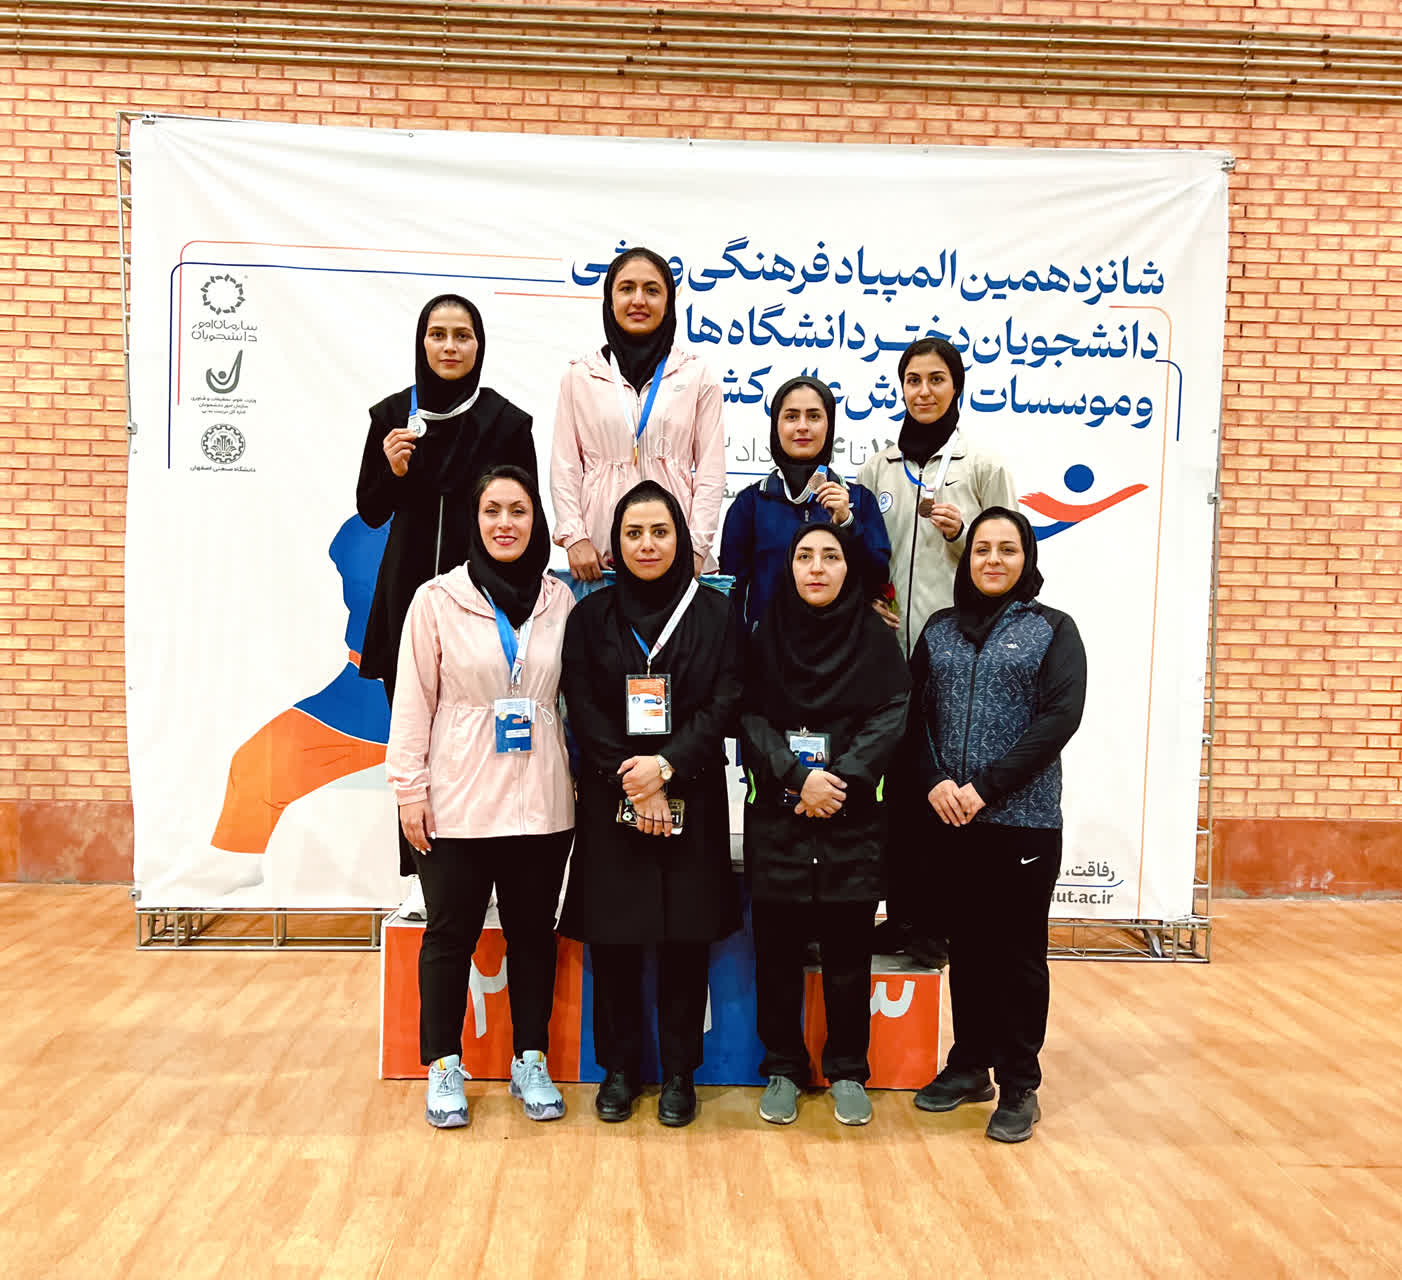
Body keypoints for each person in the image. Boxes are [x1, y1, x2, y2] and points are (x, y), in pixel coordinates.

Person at [386, 465, 574, 1130]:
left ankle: (531, 1058)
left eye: (518, 511)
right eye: (492, 510)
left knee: (533, 937)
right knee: (449, 936)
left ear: (536, 520)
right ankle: (443, 1063)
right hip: (457, 803)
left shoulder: (560, 600)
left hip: (540, 803)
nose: (505, 524)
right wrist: (409, 790)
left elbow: (576, 698)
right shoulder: (436, 600)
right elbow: (413, 701)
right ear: (475, 518)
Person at [559, 481, 742, 1127]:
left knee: (684, 941)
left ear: (680, 538)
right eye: (633, 533)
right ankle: (618, 1069)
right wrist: (633, 777)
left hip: (691, 792)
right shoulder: (590, 618)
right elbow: (582, 706)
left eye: (659, 532)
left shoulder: (716, 614)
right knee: (615, 939)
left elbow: (726, 700)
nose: (647, 544)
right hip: (613, 795)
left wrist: (664, 768)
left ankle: (679, 1073)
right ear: (615, 544)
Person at [907, 507, 1086, 1143]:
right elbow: (912, 714)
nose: (992, 560)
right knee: (967, 949)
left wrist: (985, 787)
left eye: (1008, 549)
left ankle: (1018, 1084)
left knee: (1016, 955)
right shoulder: (940, 629)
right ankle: (968, 1065)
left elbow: (1059, 719)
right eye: (982, 548)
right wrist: (933, 781)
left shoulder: (1052, 629)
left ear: (1026, 558)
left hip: (1021, 824)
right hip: (950, 820)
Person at [357, 294, 537, 905]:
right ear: (422, 342)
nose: (450, 346)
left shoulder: (507, 423)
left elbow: (527, 515)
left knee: (484, 734)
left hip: (485, 605)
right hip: (407, 601)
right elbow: (370, 509)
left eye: (463, 335)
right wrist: (391, 469)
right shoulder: (392, 416)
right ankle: (426, 876)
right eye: (438, 334)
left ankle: (492, 870)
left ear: (479, 345)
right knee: (413, 737)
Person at [738, 525, 909, 1127]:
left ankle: (848, 1070)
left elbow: (892, 715)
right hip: (779, 818)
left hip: (850, 821)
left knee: (847, 958)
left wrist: (838, 782)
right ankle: (783, 1068)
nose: (816, 567)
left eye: (830, 557)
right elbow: (748, 715)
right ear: (789, 567)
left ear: (848, 568)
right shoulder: (765, 634)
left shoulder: (876, 639)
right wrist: (796, 777)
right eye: (804, 556)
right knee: (776, 957)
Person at [857, 336, 1018, 969]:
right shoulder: (879, 467)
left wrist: (962, 534)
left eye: (936, 379)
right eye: (912, 380)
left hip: (953, 652)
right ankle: (898, 917)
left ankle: (937, 926)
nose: (923, 391)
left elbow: (1009, 552)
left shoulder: (982, 464)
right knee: (893, 793)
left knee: (939, 786)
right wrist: (866, 600)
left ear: (956, 388)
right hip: (885, 655)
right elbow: (863, 552)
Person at [550, 247, 726, 593]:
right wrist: (574, 536)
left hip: (676, 552)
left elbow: (711, 471)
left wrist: (696, 548)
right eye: (627, 288)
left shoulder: (696, 375)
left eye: (652, 290)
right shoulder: (580, 376)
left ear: (668, 301)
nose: (639, 300)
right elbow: (564, 466)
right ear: (610, 300)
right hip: (599, 555)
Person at [720, 375, 890, 638]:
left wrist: (848, 523)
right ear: (776, 426)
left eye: (814, 416)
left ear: (829, 425)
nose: (802, 426)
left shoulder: (858, 500)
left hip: (841, 650)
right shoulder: (750, 504)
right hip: (767, 652)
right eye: (791, 416)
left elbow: (877, 579)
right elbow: (732, 592)